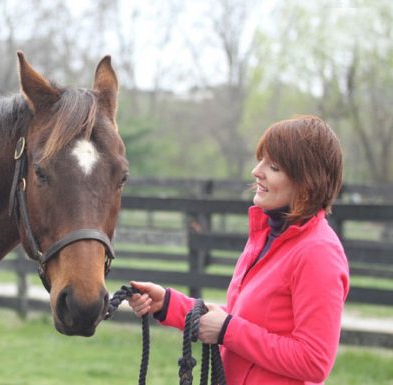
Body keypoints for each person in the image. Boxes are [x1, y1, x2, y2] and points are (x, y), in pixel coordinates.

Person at [129, 115, 349, 385]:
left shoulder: (318, 253)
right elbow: (244, 318)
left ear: (307, 181)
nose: (257, 171)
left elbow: (313, 361)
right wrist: (168, 305)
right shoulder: (268, 236)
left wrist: (228, 331)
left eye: (274, 166)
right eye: (261, 160)